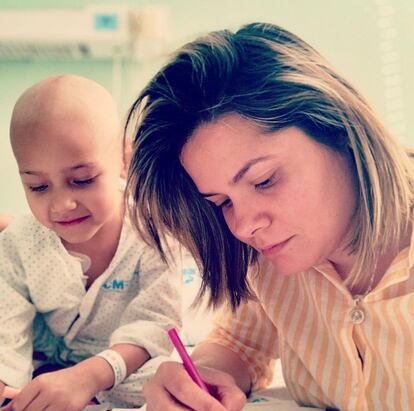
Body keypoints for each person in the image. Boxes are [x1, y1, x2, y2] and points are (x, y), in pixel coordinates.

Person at [124, 22, 414, 411]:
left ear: (338, 128)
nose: (244, 227)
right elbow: (240, 343)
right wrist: (205, 376)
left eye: (264, 180)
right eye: (221, 202)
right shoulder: (271, 265)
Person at [0, 74, 182, 410]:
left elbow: (157, 322)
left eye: (82, 180)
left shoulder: (156, 232)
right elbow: (8, 330)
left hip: (127, 369)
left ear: (125, 161)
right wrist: (7, 385)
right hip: (43, 365)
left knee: (170, 384)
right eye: (38, 187)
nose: (61, 205)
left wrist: (89, 377)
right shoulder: (18, 244)